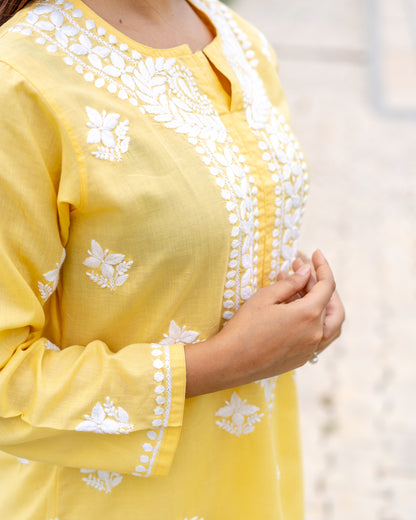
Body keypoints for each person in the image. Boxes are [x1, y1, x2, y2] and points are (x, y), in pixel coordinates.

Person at [0, 0, 345, 518]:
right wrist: (222, 363)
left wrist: (298, 313)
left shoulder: (237, 38)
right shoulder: (21, 82)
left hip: (253, 482)